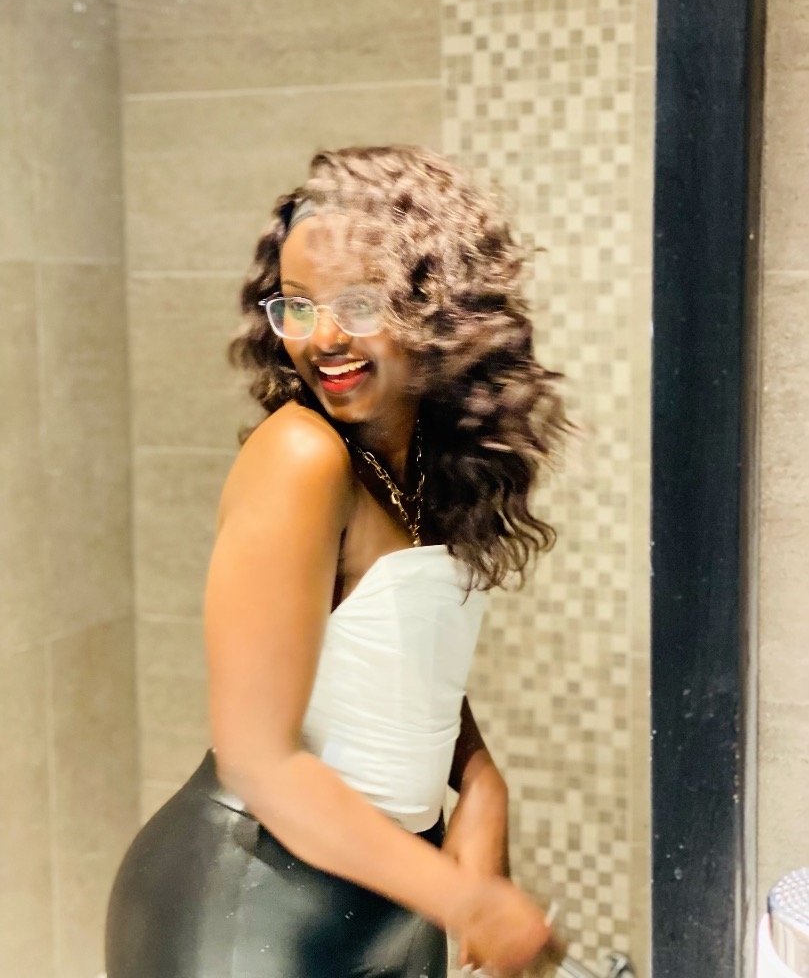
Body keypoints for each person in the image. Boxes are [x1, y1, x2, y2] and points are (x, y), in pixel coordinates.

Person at [105, 145, 567, 978]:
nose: (322, 337)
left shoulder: (422, 458)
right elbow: (259, 760)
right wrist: (468, 901)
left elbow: (394, 663)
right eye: (296, 306)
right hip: (248, 913)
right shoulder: (301, 458)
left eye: (359, 301)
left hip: (390, 902)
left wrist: (480, 779)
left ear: (438, 304)